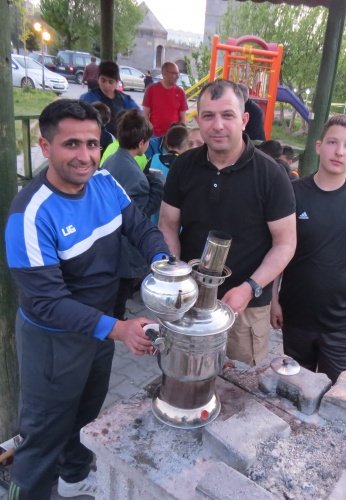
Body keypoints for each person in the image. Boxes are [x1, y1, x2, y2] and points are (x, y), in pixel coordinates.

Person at [4, 99, 170, 500]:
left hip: (101, 330)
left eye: (92, 144)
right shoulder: (30, 215)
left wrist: (164, 264)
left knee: (85, 415)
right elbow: (47, 302)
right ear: (46, 147)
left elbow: (140, 228)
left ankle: (75, 479)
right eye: (72, 144)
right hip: (54, 343)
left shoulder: (104, 183)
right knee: (43, 435)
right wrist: (120, 329)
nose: (85, 156)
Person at [159, 79, 296, 366]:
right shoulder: (183, 166)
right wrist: (176, 277)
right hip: (189, 300)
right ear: (198, 120)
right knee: (184, 375)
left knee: (240, 384)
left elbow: (285, 244)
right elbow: (168, 225)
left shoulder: (272, 175)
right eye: (208, 116)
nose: (218, 125)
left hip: (246, 307)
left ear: (244, 120)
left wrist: (250, 287)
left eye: (227, 115)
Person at [271, 114, 346, 383]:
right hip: (296, 315)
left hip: (343, 321)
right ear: (319, 146)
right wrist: (273, 298)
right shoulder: (293, 193)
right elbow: (277, 247)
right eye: (333, 142)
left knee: (336, 391)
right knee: (297, 388)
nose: (339, 151)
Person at [101, 109, 163, 319]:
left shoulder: (111, 159)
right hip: (124, 250)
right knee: (121, 292)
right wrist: (156, 187)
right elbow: (139, 216)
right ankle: (118, 321)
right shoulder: (136, 178)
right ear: (142, 142)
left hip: (107, 241)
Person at [80, 61, 139, 136]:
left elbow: (139, 118)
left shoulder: (125, 100)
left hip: (118, 140)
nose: (106, 85)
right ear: (98, 79)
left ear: (117, 82)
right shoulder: (87, 98)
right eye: (103, 80)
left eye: (111, 82)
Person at [142, 62, 188, 137]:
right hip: (154, 136)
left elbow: (183, 119)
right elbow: (145, 115)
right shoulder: (151, 89)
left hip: (173, 137)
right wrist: (149, 132)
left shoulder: (180, 92)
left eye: (178, 73)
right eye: (174, 73)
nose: (177, 76)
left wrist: (181, 136)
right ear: (164, 74)